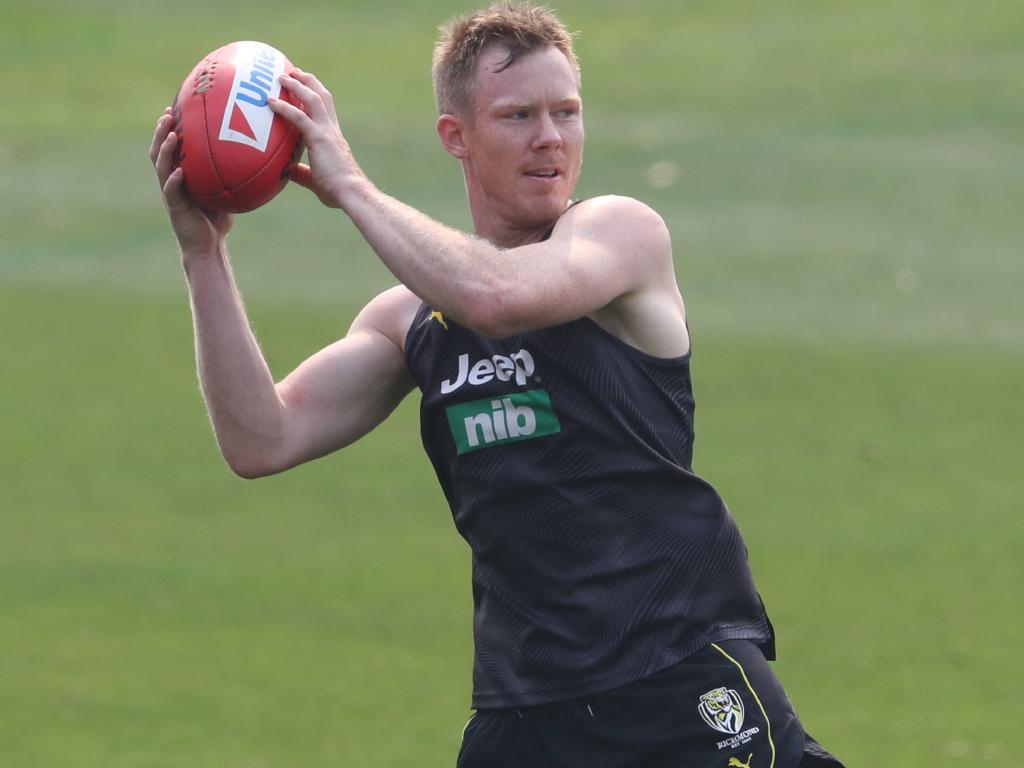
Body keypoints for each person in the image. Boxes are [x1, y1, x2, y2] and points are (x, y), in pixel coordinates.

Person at [150, 2, 844, 766]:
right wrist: (204, 257)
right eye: (518, 115)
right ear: (458, 136)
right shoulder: (410, 322)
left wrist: (349, 184)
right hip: (525, 717)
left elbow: (498, 300)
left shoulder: (620, 235)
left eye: (567, 113)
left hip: (676, 682)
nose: (551, 137)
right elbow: (260, 438)